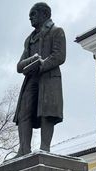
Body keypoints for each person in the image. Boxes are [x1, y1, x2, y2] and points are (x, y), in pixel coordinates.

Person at [13, 2, 66, 156]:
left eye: (33, 14)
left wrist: (41, 64)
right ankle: (24, 149)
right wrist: (32, 61)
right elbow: (19, 66)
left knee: (46, 111)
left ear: (45, 14)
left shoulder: (56, 32)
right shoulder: (29, 39)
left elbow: (59, 56)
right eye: (30, 16)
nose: (30, 18)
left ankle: (45, 149)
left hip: (49, 78)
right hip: (31, 79)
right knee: (24, 112)